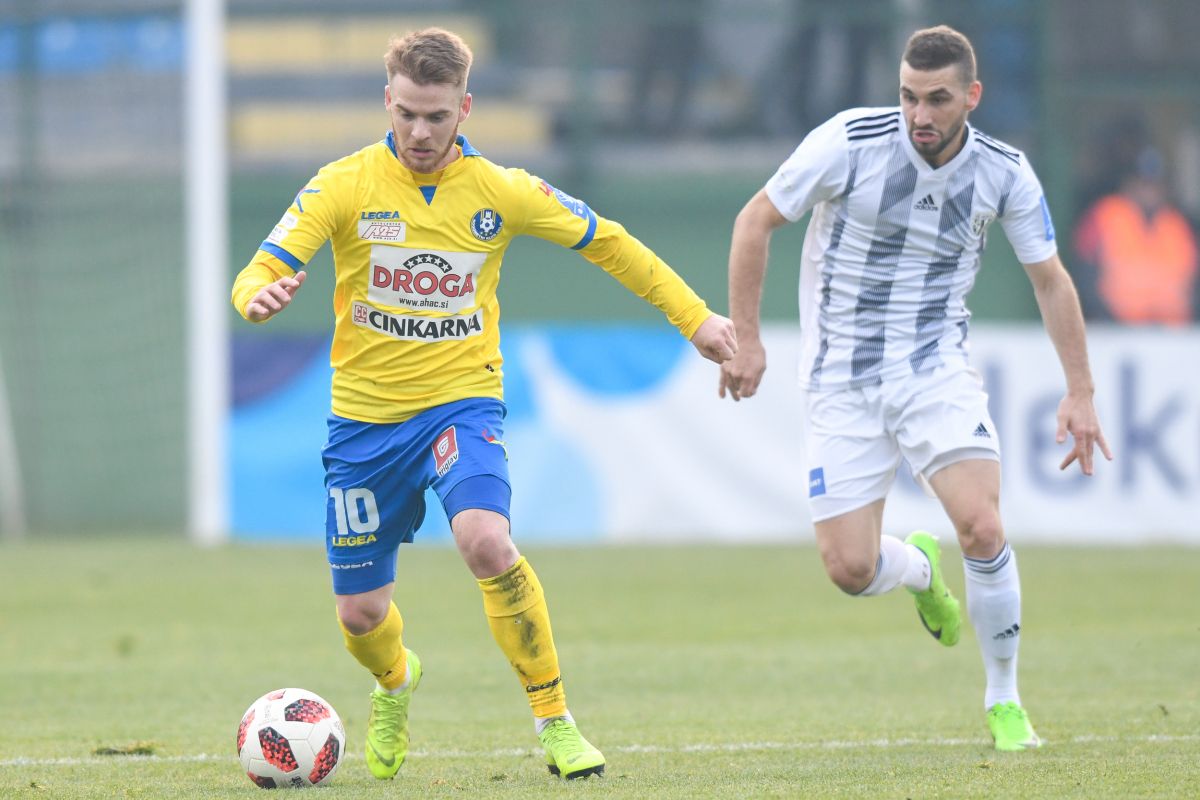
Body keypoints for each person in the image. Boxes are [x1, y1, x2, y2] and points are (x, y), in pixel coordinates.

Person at [231, 28, 737, 781]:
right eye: (407, 113)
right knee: (361, 616)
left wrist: (695, 319)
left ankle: (556, 722)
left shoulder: (503, 192)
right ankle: (396, 681)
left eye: (436, 116)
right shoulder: (342, 185)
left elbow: (609, 242)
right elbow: (260, 268)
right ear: (387, 101)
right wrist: (256, 296)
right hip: (363, 424)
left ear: (464, 109)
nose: (419, 131)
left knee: (486, 541)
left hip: (460, 405)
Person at [718, 25, 1112, 751]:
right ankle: (921, 570)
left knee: (983, 526)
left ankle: (1004, 699)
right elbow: (754, 221)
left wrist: (1080, 390)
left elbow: (1052, 281)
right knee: (850, 568)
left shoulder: (1005, 174)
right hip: (840, 375)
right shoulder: (849, 142)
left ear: (972, 96)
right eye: (907, 97)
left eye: (936, 99)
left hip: (935, 370)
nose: (919, 115)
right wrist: (748, 337)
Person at [1073, 146, 1198, 325]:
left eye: (1155, 184)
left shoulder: (1179, 226)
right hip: (1114, 329)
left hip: (1174, 331)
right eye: (1142, 183)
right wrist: (1104, 320)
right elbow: (1084, 276)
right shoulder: (1103, 216)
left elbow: (1193, 283)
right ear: (1128, 183)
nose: (1149, 191)